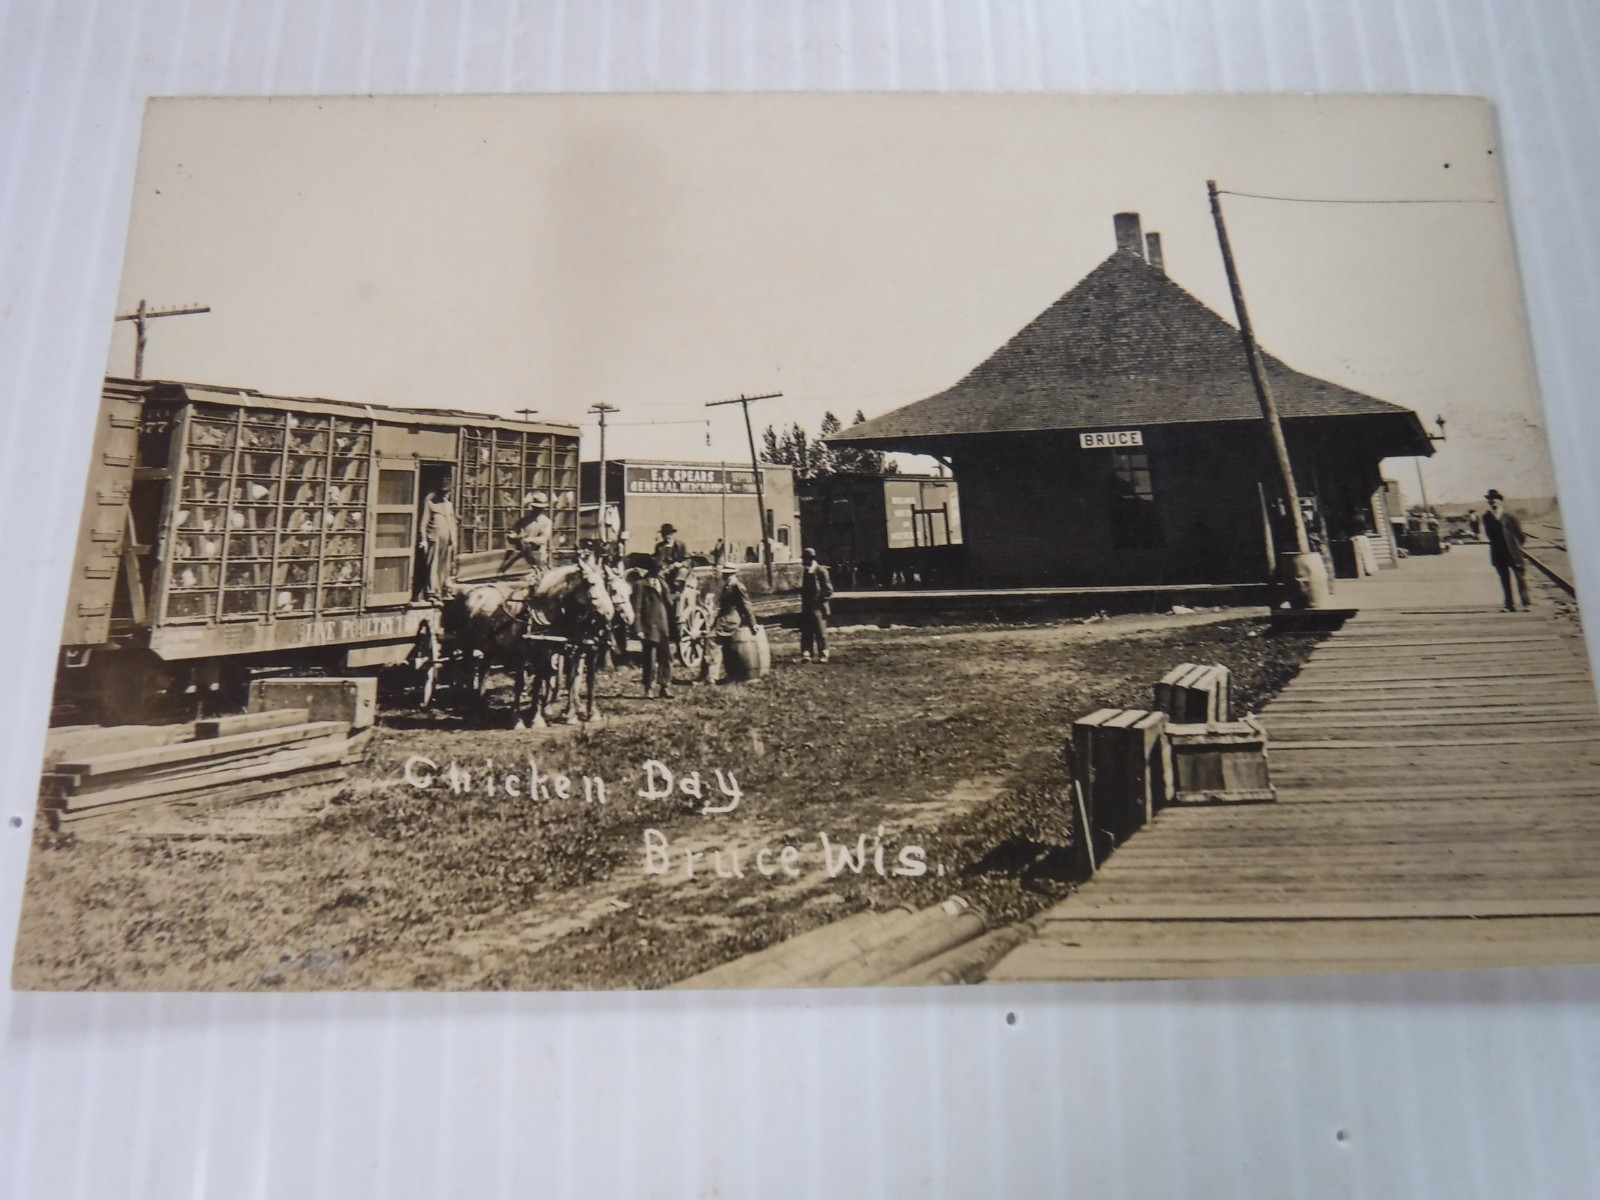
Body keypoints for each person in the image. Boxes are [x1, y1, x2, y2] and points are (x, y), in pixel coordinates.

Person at [631, 557, 679, 698]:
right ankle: (648, 687)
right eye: (658, 569)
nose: (660, 571)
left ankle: (665, 686)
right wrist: (638, 628)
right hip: (649, 627)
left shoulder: (662, 583)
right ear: (652, 570)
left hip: (664, 626)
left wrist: (676, 596)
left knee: (666, 657)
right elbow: (637, 608)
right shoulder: (640, 585)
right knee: (649, 659)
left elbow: (668, 601)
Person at [703, 563, 757, 683]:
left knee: (712, 641)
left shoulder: (737, 586)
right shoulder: (728, 586)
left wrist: (753, 624)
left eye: (726, 574)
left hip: (729, 620)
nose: (724, 575)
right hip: (725, 619)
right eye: (724, 573)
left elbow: (746, 605)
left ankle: (711, 677)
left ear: (733, 574)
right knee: (726, 647)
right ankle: (730, 675)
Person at [1481, 489, 1531, 612]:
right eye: (1490, 499)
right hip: (1498, 553)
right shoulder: (1487, 517)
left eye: (1495, 499)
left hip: (1513, 553)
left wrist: (1516, 547)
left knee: (1520, 579)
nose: (1492, 501)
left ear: (1500, 501)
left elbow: (1520, 535)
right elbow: (1489, 535)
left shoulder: (1510, 516)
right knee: (1504, 580)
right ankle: (1509, 605)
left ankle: (1526, 604)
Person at [417, 483, 458, 600]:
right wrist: (424, 540)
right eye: (443, 493)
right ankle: (431, 592)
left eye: (447, 493)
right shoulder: (430, 504)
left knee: (444, 566)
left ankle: (441, 590)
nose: (445, 496)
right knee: (433, 565)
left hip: (447, 540)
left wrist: (454, 540)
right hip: (434, 539)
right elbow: (423, 523)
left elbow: (452, 523)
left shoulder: (449, 505)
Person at [502, 491, 553, 574]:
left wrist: (530, 540)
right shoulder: (523, 521)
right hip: (519, 557)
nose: (537, 510)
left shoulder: (546, 522)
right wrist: (513, 536)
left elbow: (543, 539)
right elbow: (514, 533)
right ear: (532, 507)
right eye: (536, 507)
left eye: (540, 508)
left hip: (537, 556)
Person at [799, 546, 833, 663]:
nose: (803, 562)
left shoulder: (821, 571)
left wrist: (819, 601)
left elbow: (828, 590)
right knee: (806, 631)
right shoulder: (807, 571)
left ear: (811, 559)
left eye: (804, 559)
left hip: (818, 607)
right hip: (808, 607)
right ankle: (807, 653)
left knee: (820, 631)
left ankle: (823, 654)